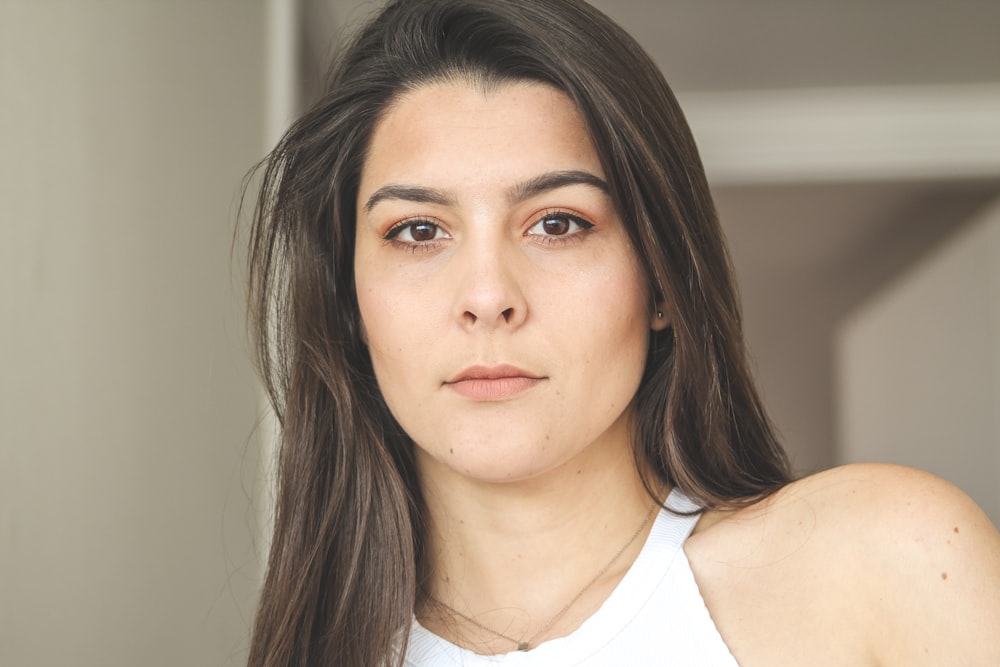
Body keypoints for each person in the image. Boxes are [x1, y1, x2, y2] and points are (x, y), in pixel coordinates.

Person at [243, 0, 1000, 665]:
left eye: (558, 223)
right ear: (350, 301)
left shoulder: (884, 562)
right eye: (416, 230)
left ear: (662, 280)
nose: (487, 296)